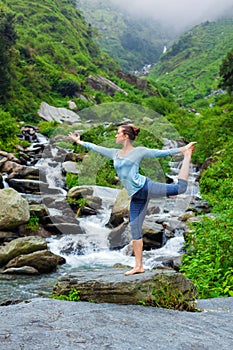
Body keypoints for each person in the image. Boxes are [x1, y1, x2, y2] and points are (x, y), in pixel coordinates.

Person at [69, 125, 196, 276]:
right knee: (134, 227)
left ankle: (188, 156)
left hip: (145, 187)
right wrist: (79, 142)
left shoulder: (139, 151)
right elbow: (96, 147)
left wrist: (183, 150)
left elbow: (163, 153)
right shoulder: (114, 153)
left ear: (126, 136)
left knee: (180, 189)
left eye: (118, 133)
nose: (115, 136)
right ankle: (139, 266)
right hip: (136, 196)